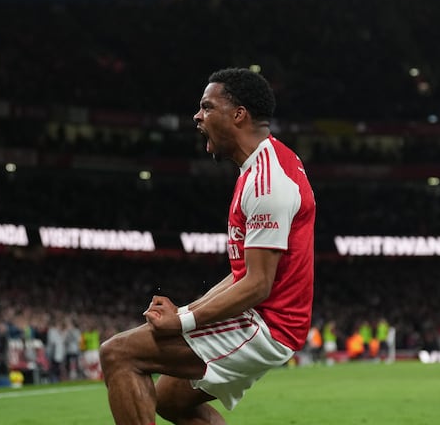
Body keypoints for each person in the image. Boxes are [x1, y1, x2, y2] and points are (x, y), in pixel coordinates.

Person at [99, 67, 316, 425]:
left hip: (265, 325)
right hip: (265, 318)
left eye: (206, 107)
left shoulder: (266, 182)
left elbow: (258, 284)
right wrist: (186, 311)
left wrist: (182, 320)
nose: (197, 116)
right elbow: (242, 274)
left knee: (118, 354)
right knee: (170, 401)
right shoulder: (268, 164)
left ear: (238, 114)